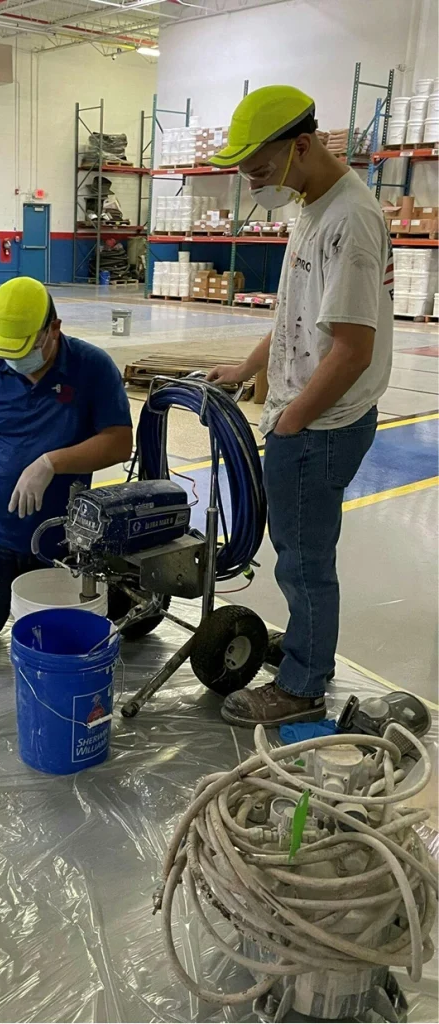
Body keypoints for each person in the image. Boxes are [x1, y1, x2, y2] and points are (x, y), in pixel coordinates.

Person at [205, 85, 392, 728]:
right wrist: (250, 367)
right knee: (296, 547)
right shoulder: (314, 208)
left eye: (260, 170)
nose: (256, 185)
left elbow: (352, 350)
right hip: (303, 415)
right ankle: (309, 648)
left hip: (322, 422)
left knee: (306, 557)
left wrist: (292, 419)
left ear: (302, 146)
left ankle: (304, 683)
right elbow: (298, 315)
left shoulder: (351, 220)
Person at [0, 277, 133, 635]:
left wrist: (52, 462)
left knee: (78, 622)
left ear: (54, 329)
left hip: (66, 536)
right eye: (9, 353)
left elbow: (119, 440)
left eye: (26, 349)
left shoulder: (92, 368)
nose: (18, 362)